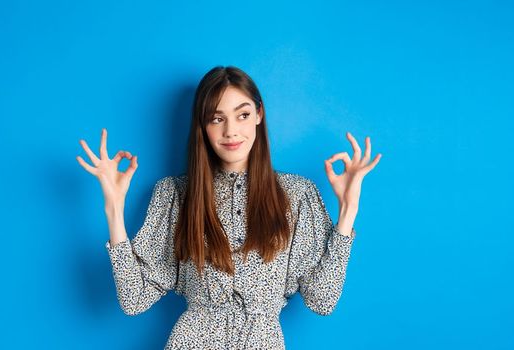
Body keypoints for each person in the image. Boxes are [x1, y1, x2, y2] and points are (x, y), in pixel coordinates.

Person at [76, 66, 381, 349]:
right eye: (217, 118)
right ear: (203, 126)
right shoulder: (176, 194)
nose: (231, 131)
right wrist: (114, 208)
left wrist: (348, 212)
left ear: (259, 114)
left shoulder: (296, 194)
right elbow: (133, 299)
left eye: (242, 114)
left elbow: (322, 299)